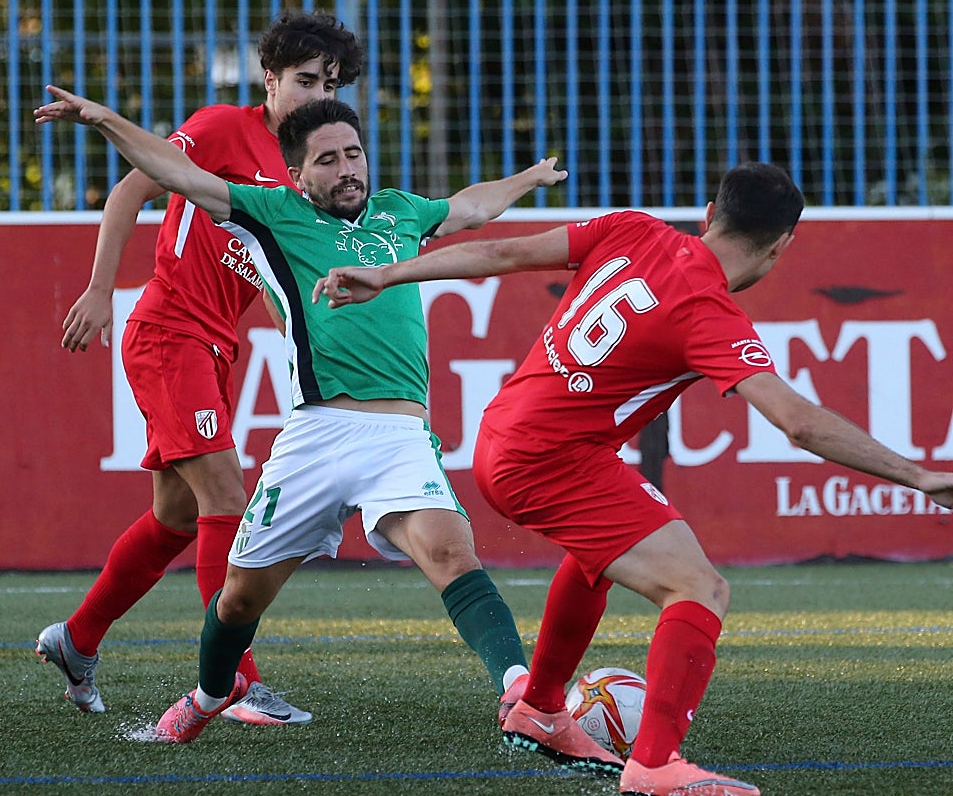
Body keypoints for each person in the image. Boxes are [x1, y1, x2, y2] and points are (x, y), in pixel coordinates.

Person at [312, 161, 953, 795]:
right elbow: (800, 425)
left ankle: (538, 707)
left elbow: (503, 253)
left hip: (504, 435)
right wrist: (919, 476)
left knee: (601, 554)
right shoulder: (707, 309)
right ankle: (654, 765)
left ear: (709, 215)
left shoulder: (636, 228)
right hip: (550, 461)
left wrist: (390, 274)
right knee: (699, 587)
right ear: (782, 245)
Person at [35, 92, 582, 751]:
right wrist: (104, 121)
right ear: (298, 175)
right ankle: (213, 693)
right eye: (327, 160)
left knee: (450, 551)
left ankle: (520, 690)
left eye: (354, 153)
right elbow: (176, 174)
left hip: (402, 437)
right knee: (237, 601)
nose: (347, 167)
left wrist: (529, 177)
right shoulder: (274, 214)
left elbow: (473, 206)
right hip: (317, 437)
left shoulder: (401, 211)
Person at [35, 11, 363, 727]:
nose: (315, 95)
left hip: (218, 347)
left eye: (329, 84)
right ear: (270, 80)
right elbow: (131, 190)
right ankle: (236, 680)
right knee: (225, 495)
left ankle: (77, 638)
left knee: (174, 517)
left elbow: (283, 281)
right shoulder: (222, 126)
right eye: (303, 80)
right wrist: (98, 289)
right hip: (168, 331)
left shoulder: (307, 171)